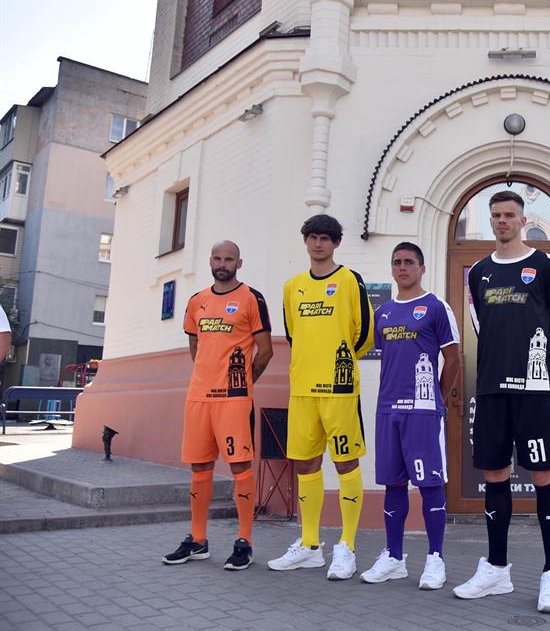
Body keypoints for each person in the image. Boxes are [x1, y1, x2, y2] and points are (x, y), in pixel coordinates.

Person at [454, 190, 550, 613]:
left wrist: (534, 371)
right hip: (491, 390)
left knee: (544, 476)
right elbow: (481, 327)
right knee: (495, 475)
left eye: (509, 215)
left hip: (533, 391)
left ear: (523, 220)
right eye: (496, 215)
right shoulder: (479, 272)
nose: (502, 221)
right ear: (490, 221)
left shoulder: (546, 265)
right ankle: (497, 569)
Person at [269, 214, 373, 579]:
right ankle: (310, 546)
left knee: (346, 464)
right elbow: (293, 334)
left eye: (325, 238)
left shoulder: (349, 280)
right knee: (305, 465)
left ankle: (347, 546)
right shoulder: (292, 286)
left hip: (339, 391)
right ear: (305, 241)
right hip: (303, 390)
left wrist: (335, 359)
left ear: (336, 243)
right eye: (312, 237)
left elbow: (364, 334)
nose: (318, 244)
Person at [163, 240, 273, 570]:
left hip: (233, 400)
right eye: (217, 258)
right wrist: (208, 376)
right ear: (210, 261)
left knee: (240, 468)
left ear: (239, 263)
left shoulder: (252, 298)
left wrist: (244, 383)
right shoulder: (197, 300)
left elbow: (265, 350)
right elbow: (194, 345)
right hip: (198, 398)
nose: (222, 263)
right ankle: (198, 540)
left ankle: (244, 542)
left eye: (229, 259)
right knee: (199, 468)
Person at [360, 242, 462, 589]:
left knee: (430, 483)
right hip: (388, 409)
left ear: (422, 268)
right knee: (393, 483)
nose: (402, 267)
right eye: (397, 262)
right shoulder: (384, 312)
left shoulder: (436, 307)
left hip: (422, 411)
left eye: (409, 262)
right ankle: (394, 557)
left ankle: (435, 559)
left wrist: (438, 400)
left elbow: (454, 359)